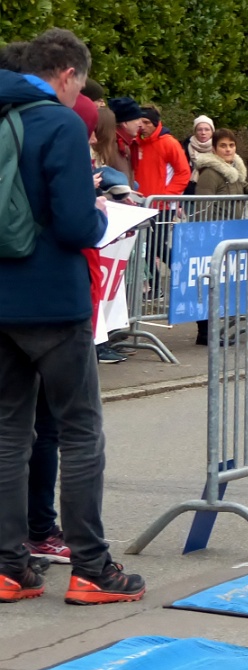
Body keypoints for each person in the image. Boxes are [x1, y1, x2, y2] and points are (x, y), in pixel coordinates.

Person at [0, 27, 145, 604]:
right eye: (79, 85)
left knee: (8, 433)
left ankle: (10, 567)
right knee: (80, 431)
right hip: (53, 300)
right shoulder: (58, 123)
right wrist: (101, 212)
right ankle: (91, 568)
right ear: (66, 74)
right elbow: (74, 224)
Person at [194, 128, 248, 345]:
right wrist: (207, 233)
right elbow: (203, 204)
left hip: (227, 235)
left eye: (231, 145)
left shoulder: (232, 171)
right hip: (213, 235)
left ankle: (211, 331)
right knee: (210, 284)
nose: (228, 149)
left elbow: (242, 186)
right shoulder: (210, 173)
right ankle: (205, 332)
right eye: (223, 146)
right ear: (214, 149)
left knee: (220, 284)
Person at [182, 115, 214, 194]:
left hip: (211, 190)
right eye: (199, 129)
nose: (203, 133)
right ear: (195, 131)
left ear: (212, 131)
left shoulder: (218, 147)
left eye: (207, 129)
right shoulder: (185, 147)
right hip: (188, 192)